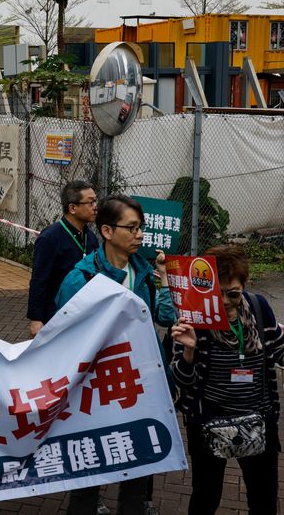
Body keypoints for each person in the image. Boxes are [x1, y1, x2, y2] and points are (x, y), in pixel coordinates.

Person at [56, 194, 176, 515]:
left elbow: (165, 318)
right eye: (132, 228)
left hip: (140, 390)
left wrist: (164, 280)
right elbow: (64, 337)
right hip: (96, 394)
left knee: (137, 478)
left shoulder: (145, 272)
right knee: (88, 477)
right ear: (107, 232)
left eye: (141, 229)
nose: (139, 235)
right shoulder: (80, 279)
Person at [171, 244, 284, 515]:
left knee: (264, 498)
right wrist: (188, 350)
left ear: (244, 285)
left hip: (258, 419)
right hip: (208, 421)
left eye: (233, 293)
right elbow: (181, 379)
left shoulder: (259, 308)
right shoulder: (195, 317)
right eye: (217, 292)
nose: (224, 301)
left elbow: (279, 349)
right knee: (206, 496)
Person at [28, 180, 99, 338]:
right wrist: (36, 319)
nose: (95, 207)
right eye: (90, 202)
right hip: (54, 315)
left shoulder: (91, 238)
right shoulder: (50, 238)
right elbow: (39, 280)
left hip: (83, 314)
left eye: (95, 201)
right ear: (72, 208)